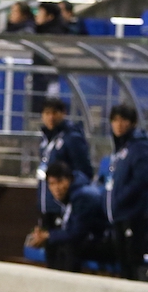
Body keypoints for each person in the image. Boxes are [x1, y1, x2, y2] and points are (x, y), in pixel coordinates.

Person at [33, 98, 93, 268]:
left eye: (54, 113)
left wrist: (67, 192)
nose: (50, 117)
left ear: (63, 113)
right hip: (47, 206)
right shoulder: (45, 140)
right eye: (46, 113)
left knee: (65, 253)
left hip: (62, 206)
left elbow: (85, 172)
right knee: (50, 253)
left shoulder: (71, 138)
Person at [26, 161, 112, 272]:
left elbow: (76, 233)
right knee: (57, 244)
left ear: (69, 179)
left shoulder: (83, 196)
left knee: (66, 246)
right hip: (94, 239)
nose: (56, 188)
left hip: (107, 241)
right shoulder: (73, 195)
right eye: (52, 184)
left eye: (60, 182)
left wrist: (47, 236)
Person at [102, 104, 148, 280]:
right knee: (122, 261)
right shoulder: (120, 149)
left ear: (133, 123)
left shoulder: (139, 147)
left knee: (132, 261)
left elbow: (141, 179)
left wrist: (120, 199)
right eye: (115, 120)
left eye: (123, 120)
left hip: (133, 215)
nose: (118, 124)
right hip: (119, 215)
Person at [31, 2, 67, 114]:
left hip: (48, 78)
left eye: (40, 13)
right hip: (42, 77)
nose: (37, 15)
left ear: (50, 17)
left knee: (47, 106)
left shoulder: (53, 34)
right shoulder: (40, 30)